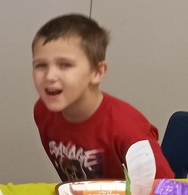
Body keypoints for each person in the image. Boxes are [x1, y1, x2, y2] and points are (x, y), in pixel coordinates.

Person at [32, 14, 173, 182]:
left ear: (97, 72)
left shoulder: (128, 129)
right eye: (41, 65)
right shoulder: (42, 111)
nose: (49, 76)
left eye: (65, 65)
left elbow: (163, 190)